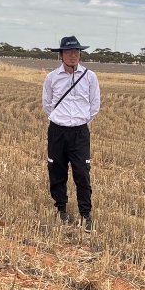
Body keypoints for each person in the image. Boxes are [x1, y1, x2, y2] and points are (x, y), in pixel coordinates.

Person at [42, 35, 101, 230]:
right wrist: (62, 120)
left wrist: (80, 121)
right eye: (68, 52)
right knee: (57, 171)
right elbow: (47, 105)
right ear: (61, 55)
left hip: (80, 133)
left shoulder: (90, 77)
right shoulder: (51, 78)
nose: (73, 55)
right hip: (57, 131)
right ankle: (61, 209)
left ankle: (86, 213)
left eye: (76, 52)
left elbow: (95, 106)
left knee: (82, 173)